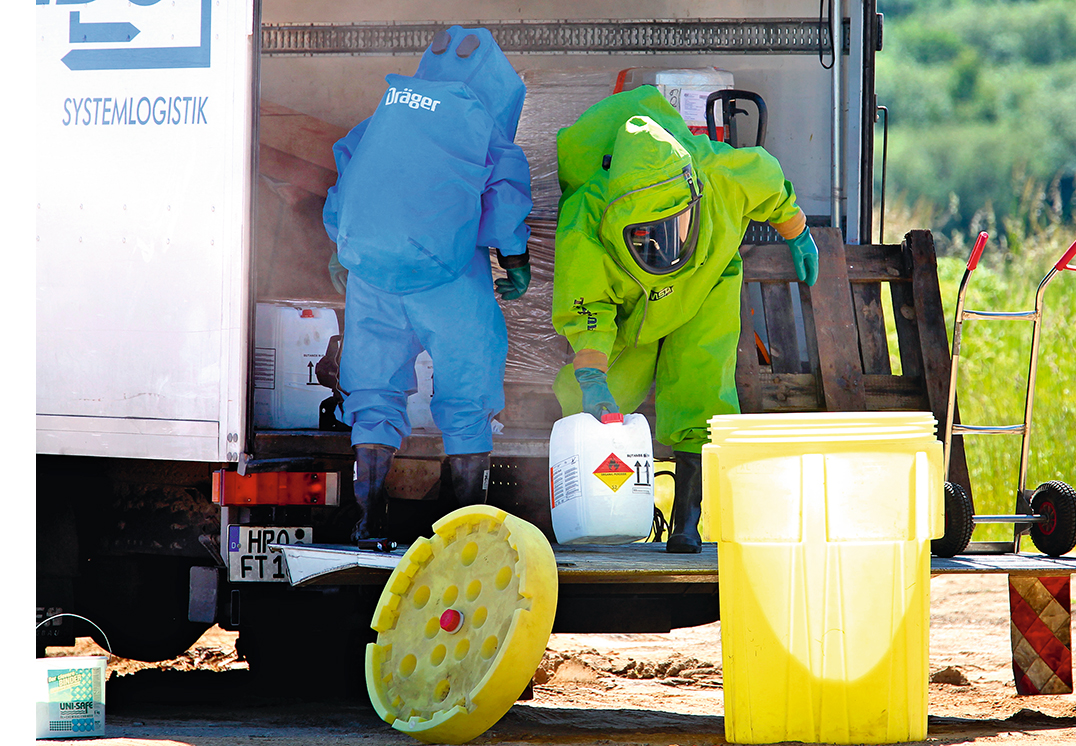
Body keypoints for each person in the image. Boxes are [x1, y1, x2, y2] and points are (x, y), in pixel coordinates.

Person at [551, 86, 819, 553]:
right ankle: (587, 506)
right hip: (631, 306)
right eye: (646, 236)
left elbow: (770, 184)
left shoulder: (721, 173)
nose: (663, 245)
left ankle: (687, 522)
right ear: (617, 219)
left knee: (701, 386)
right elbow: (588, 306)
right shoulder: (585, 221)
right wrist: (593, 375)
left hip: (706, 283)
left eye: (674, 227)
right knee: (589, 398)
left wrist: (796, 230)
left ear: (693, 194)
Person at [322, 26, 532, 541]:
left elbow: (346, 169)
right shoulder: (481, 123)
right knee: (468, 392)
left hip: (370, 273)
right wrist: (516, 258)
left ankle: (368, 521)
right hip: (447, 277)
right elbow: (503, 198)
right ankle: (461, 531)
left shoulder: (384, 115)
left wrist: (342, 246)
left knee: (372, 393)